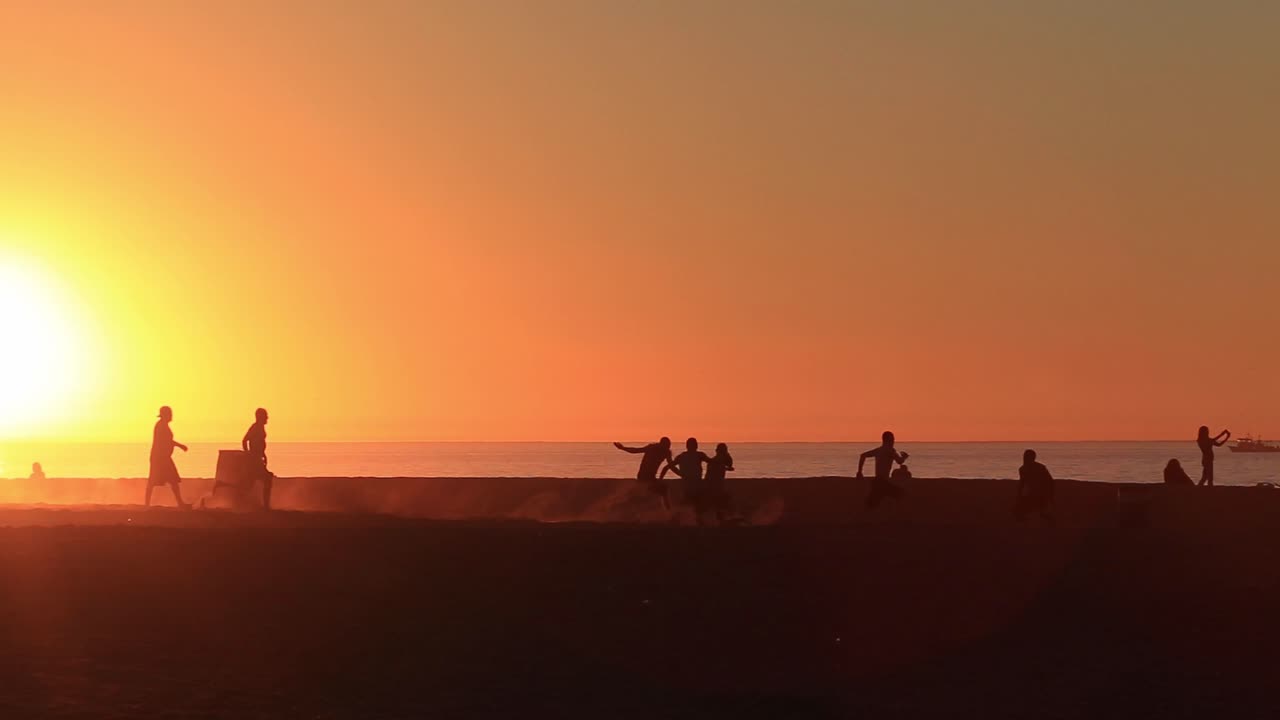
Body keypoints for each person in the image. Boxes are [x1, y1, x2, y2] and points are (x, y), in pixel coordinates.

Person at [147, 406, 190, 508]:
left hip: (163, 457)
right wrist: (180, 446)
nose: (171, 416)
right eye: (170, 414)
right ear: (165, 415)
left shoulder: (163, 425)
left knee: (172, 480)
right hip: (159, 458)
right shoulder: (161, 426)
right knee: (153, 480)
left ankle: (180, 503)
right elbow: (166, 441)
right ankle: (146, 504)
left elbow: (167, 441)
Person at [614, 437, 675, 509]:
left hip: (647, 477)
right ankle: (668, 510)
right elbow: (636, 450)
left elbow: (636, 450)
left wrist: (623, 448)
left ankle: (667, 509)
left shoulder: (660, 450)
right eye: (667, 445)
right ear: (663, 444)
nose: (668, 447)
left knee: (661, 490)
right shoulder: (658, 449)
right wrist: (623, 448)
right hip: (646, 477)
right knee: (663, 490)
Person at [857, 431, 909, 509]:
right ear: (888, 440)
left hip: (877, 481)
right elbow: (899, 461)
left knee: (871, 504)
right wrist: (904, 457)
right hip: (883, 482)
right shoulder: (891, 450)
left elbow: (862, 456)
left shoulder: (879, 450)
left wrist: (860, 471)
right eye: (892, 439)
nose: (893, 441)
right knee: (901, 495)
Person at [693, 443, 738, 526]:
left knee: (717, 505)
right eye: (724, 451)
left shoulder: (715, 461)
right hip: (715, 488)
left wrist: (726, 467)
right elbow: (729, 463)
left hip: (711, 487)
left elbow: (727, 465)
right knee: (723, 503)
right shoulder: (720, 460)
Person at [661, 438, 712, 505]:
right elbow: (712, 462)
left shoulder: (681, 456)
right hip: (697, 487)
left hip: (686, 487)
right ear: (696, 446)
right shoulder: (699, 455)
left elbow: (666, 467)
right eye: (696, 444)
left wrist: (660, 479)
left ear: (687, 446)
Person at [242, 407, 275, 510]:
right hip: (254, 460)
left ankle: (244, 502)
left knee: (250, 483)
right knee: (266, 479)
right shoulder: (255, 427)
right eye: (265, 416)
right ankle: (265, 506)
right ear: (260, 417)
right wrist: (248, 454)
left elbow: (259, 443)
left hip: (258, 459)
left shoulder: (260, 427)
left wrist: (263, 454)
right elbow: (245, 440)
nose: (267, 418)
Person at [1015, 449, 1055, 524]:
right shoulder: (1023, 469)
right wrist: (1019, 495)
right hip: (1032, 494)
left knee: (1041, 511)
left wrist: (1049, 495)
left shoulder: (1040, 467)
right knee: (1019, 511)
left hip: (1041, 494)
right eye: (1025, 456)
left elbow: (1049, 481)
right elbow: (1022, 483)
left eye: (1026, 457)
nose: (1024, 458)